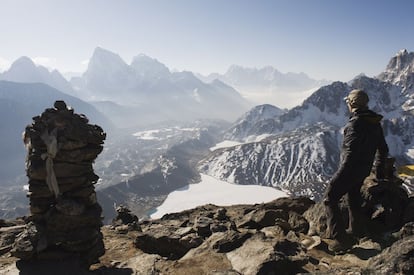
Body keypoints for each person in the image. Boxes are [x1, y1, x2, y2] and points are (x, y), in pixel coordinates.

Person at [324, 89, 389, 253]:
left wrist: (340, 174)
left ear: (352, 104)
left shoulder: (355, 124)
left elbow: (350, 154)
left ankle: (340, 239)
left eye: (348, 102)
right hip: (364, 169)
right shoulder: (374, 122)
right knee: (353, 197)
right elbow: (383, 149)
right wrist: (379, 171)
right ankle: (357, 231)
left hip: (350, 169)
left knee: (330, 198)